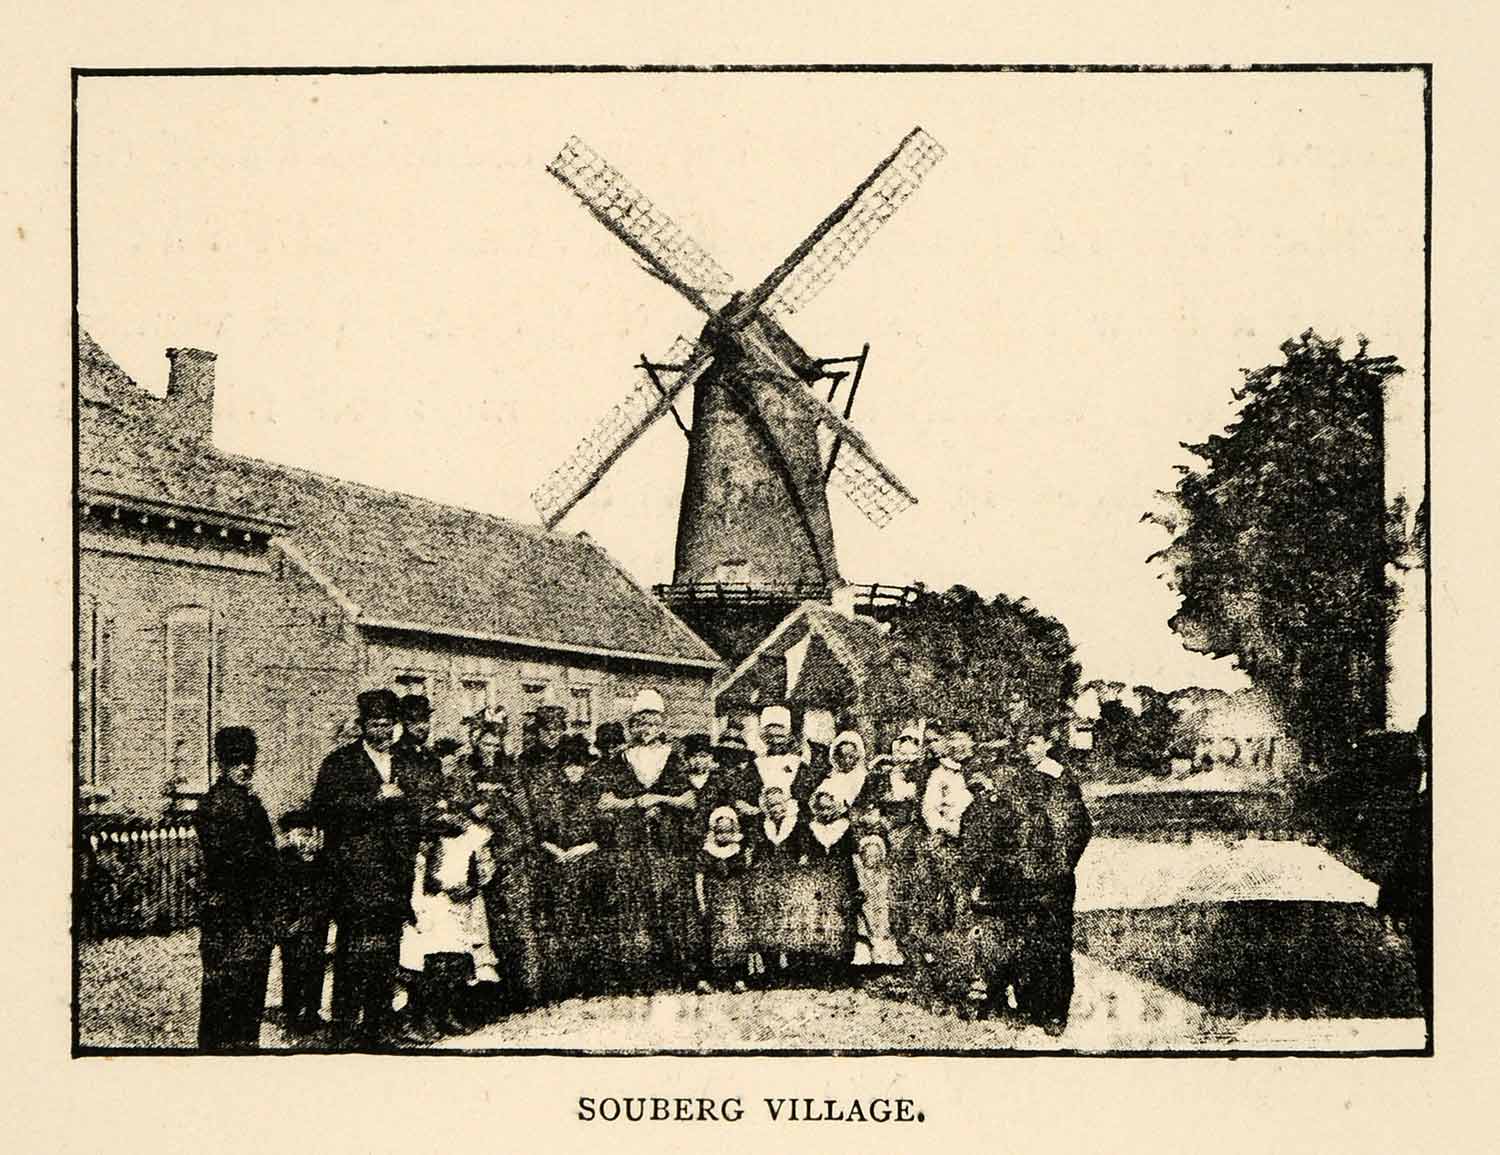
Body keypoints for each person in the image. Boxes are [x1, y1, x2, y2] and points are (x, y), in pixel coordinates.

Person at [311, 688, 422, 1046]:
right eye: (375, 725)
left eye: (388, 725)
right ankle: (344, 1027)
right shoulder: (340, 762)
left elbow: (417, 807)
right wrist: (374, 799)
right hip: (355, 876)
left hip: (394, 875)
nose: (383, 731)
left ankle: (378, 1025)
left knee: (386, 952)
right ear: (361, 726)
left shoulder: (405, 761)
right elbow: (323, 808)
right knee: (353, 951)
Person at [976, 726, 1093, 1034]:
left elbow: (1075, 829)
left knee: (1053, 943)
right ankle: (1029, 1006)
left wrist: (1059, 867)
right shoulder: (1018, 779)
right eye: (1023, 744)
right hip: (1021, 876)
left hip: (1051, 879)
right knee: (1023, 942)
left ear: (1048, 743)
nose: (1027, 749)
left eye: (1033, 742)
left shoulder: (1059, 779)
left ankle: (1055, 1012)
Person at [596, 689, 697, 991]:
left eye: (652, 722)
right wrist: (636, 803)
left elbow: (690, 799)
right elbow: (605, 801)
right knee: (636, 903)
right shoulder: (622, 759)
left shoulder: (673, 757)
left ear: (661, 724)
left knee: (672, 901)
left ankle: (678, 971)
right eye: (640, 723)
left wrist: (660, 799)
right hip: (632, 841)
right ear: (633, 726)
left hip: (668, 841)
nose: (647, 728)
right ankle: (639, 974)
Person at [194, 726, 278, 1051]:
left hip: (248, 911)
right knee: (230, 988)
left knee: (243, 987)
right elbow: (234, 858)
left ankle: (235, 1049)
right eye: (236, 761)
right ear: (222, 764)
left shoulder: (245, 801)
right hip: (232, 910)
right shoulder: (217, 805)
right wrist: (277, 854)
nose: (245, 768)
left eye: (249, 761)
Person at [468, 719, 542, 1014]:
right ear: (475, 743)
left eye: (494, 744)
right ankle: (491, 996)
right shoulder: (466, 770)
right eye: (484, 743)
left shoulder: (511, 771)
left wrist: (512, 851)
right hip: (477, 858)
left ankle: (526, 992)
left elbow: (524, 818)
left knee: (518, 925)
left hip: (510, 858)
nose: (489, 749)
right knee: (487, 928)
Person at [533, 733, 608, 1000]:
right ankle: (559, 983)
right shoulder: (549, 793)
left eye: (579, 765)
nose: (574, 770)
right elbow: (538, 830)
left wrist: (581, 849)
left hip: (588, 863)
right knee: (559, 922)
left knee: (587, 921)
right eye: (569, 765)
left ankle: (587, 981)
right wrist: (556, 850)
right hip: (556, 865)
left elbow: (606, 833)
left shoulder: (596, 791)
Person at [275, 806, 331, 1035]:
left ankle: (311, 1011)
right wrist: (285, 922)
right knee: (292, 967)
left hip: (315, 924)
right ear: (288, 837)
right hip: (291, 924)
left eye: (307, 834)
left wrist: (317, 916)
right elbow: (277, 895)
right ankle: (291, 1012)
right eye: (298, 834)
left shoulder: (321, 861)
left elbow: (326, 892)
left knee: (315, 966)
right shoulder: (281, 862)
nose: (303, 840)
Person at [694, 807, 755, 993]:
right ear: (714, 831)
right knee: (710, 939)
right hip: (714, 900)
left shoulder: (738, 851)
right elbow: (699, 878)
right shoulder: (706, 852)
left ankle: (738, 978)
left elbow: (745, 876)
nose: (724, 835)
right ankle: (706, 980)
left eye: (728, 831)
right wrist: (702, 901)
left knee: (736, 938)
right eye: (720, 831)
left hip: (734, 900)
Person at [747, 784, 802, 985]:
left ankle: (794, 970)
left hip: (791, 879)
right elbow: (752, 853)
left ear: (786, 803)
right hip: (766, 880)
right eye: (771, 805)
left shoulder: (797, 825)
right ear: (765, 807)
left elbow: (803, 853)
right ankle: (771, 970)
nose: (776, 808)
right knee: (768, 923)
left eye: (779, 803)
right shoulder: (759, 826)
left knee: (792, 923)